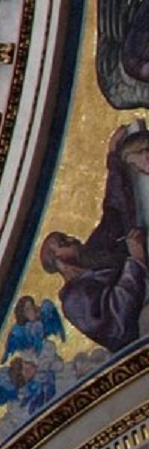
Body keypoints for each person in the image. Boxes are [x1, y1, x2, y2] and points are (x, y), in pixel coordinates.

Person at [40, 124, 149, 348]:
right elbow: (117, 323)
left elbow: (114, 210)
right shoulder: (74, 299)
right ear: (57, 261)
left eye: (67, 236)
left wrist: (114, 158)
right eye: (63, 242)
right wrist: (136, 261)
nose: (72, 239)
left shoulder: (96, 251)